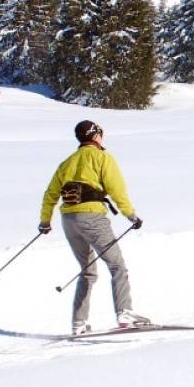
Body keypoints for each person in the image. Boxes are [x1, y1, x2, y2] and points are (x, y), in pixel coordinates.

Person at [40, 120, 149, 335]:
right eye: (101, 133)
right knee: (117, 266)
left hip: (69, 221)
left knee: (87, 271)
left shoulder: (67, 163)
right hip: (92, 217)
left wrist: (45, 221)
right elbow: (117, 189)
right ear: (96, 135)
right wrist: (131, 215)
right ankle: (124, 312)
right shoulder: (102, 157)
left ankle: (79, 323)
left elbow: (50, 194)